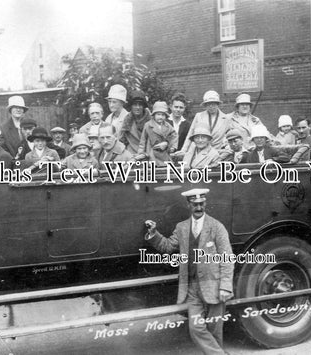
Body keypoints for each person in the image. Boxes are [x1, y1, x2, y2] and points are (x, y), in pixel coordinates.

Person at [144, 188, 234, 355]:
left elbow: (227, 258)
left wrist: (225, 286)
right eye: (195, 205)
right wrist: (153, 234)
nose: (199, 208)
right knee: (196, 328)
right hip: (192, 289)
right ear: (189, 205)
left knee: (215, 331)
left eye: (201, 204)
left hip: (213, 286)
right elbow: (167, 246)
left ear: (205, 203)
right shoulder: (182, 228)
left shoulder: (216, 227)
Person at [135, 101, 178, 166]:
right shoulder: (148, 125)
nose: (160, 117)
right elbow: (143, 140)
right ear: (154, 115)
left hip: (164, 154)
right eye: (158, 114)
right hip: (152, 154)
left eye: (163, 115)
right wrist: (141, 153)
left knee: (165, 169)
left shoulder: (167, 126)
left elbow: (174, 135)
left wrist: (172, 146)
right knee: (153, 168)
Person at [121, 90, 151, 154]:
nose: (137, 107)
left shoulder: (151, 121)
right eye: (135, 104)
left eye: (140, 105)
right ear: (131, 106)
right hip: (131, 154)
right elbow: (121, 140)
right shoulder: (127, 120)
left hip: (148, 154)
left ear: (143, 107)